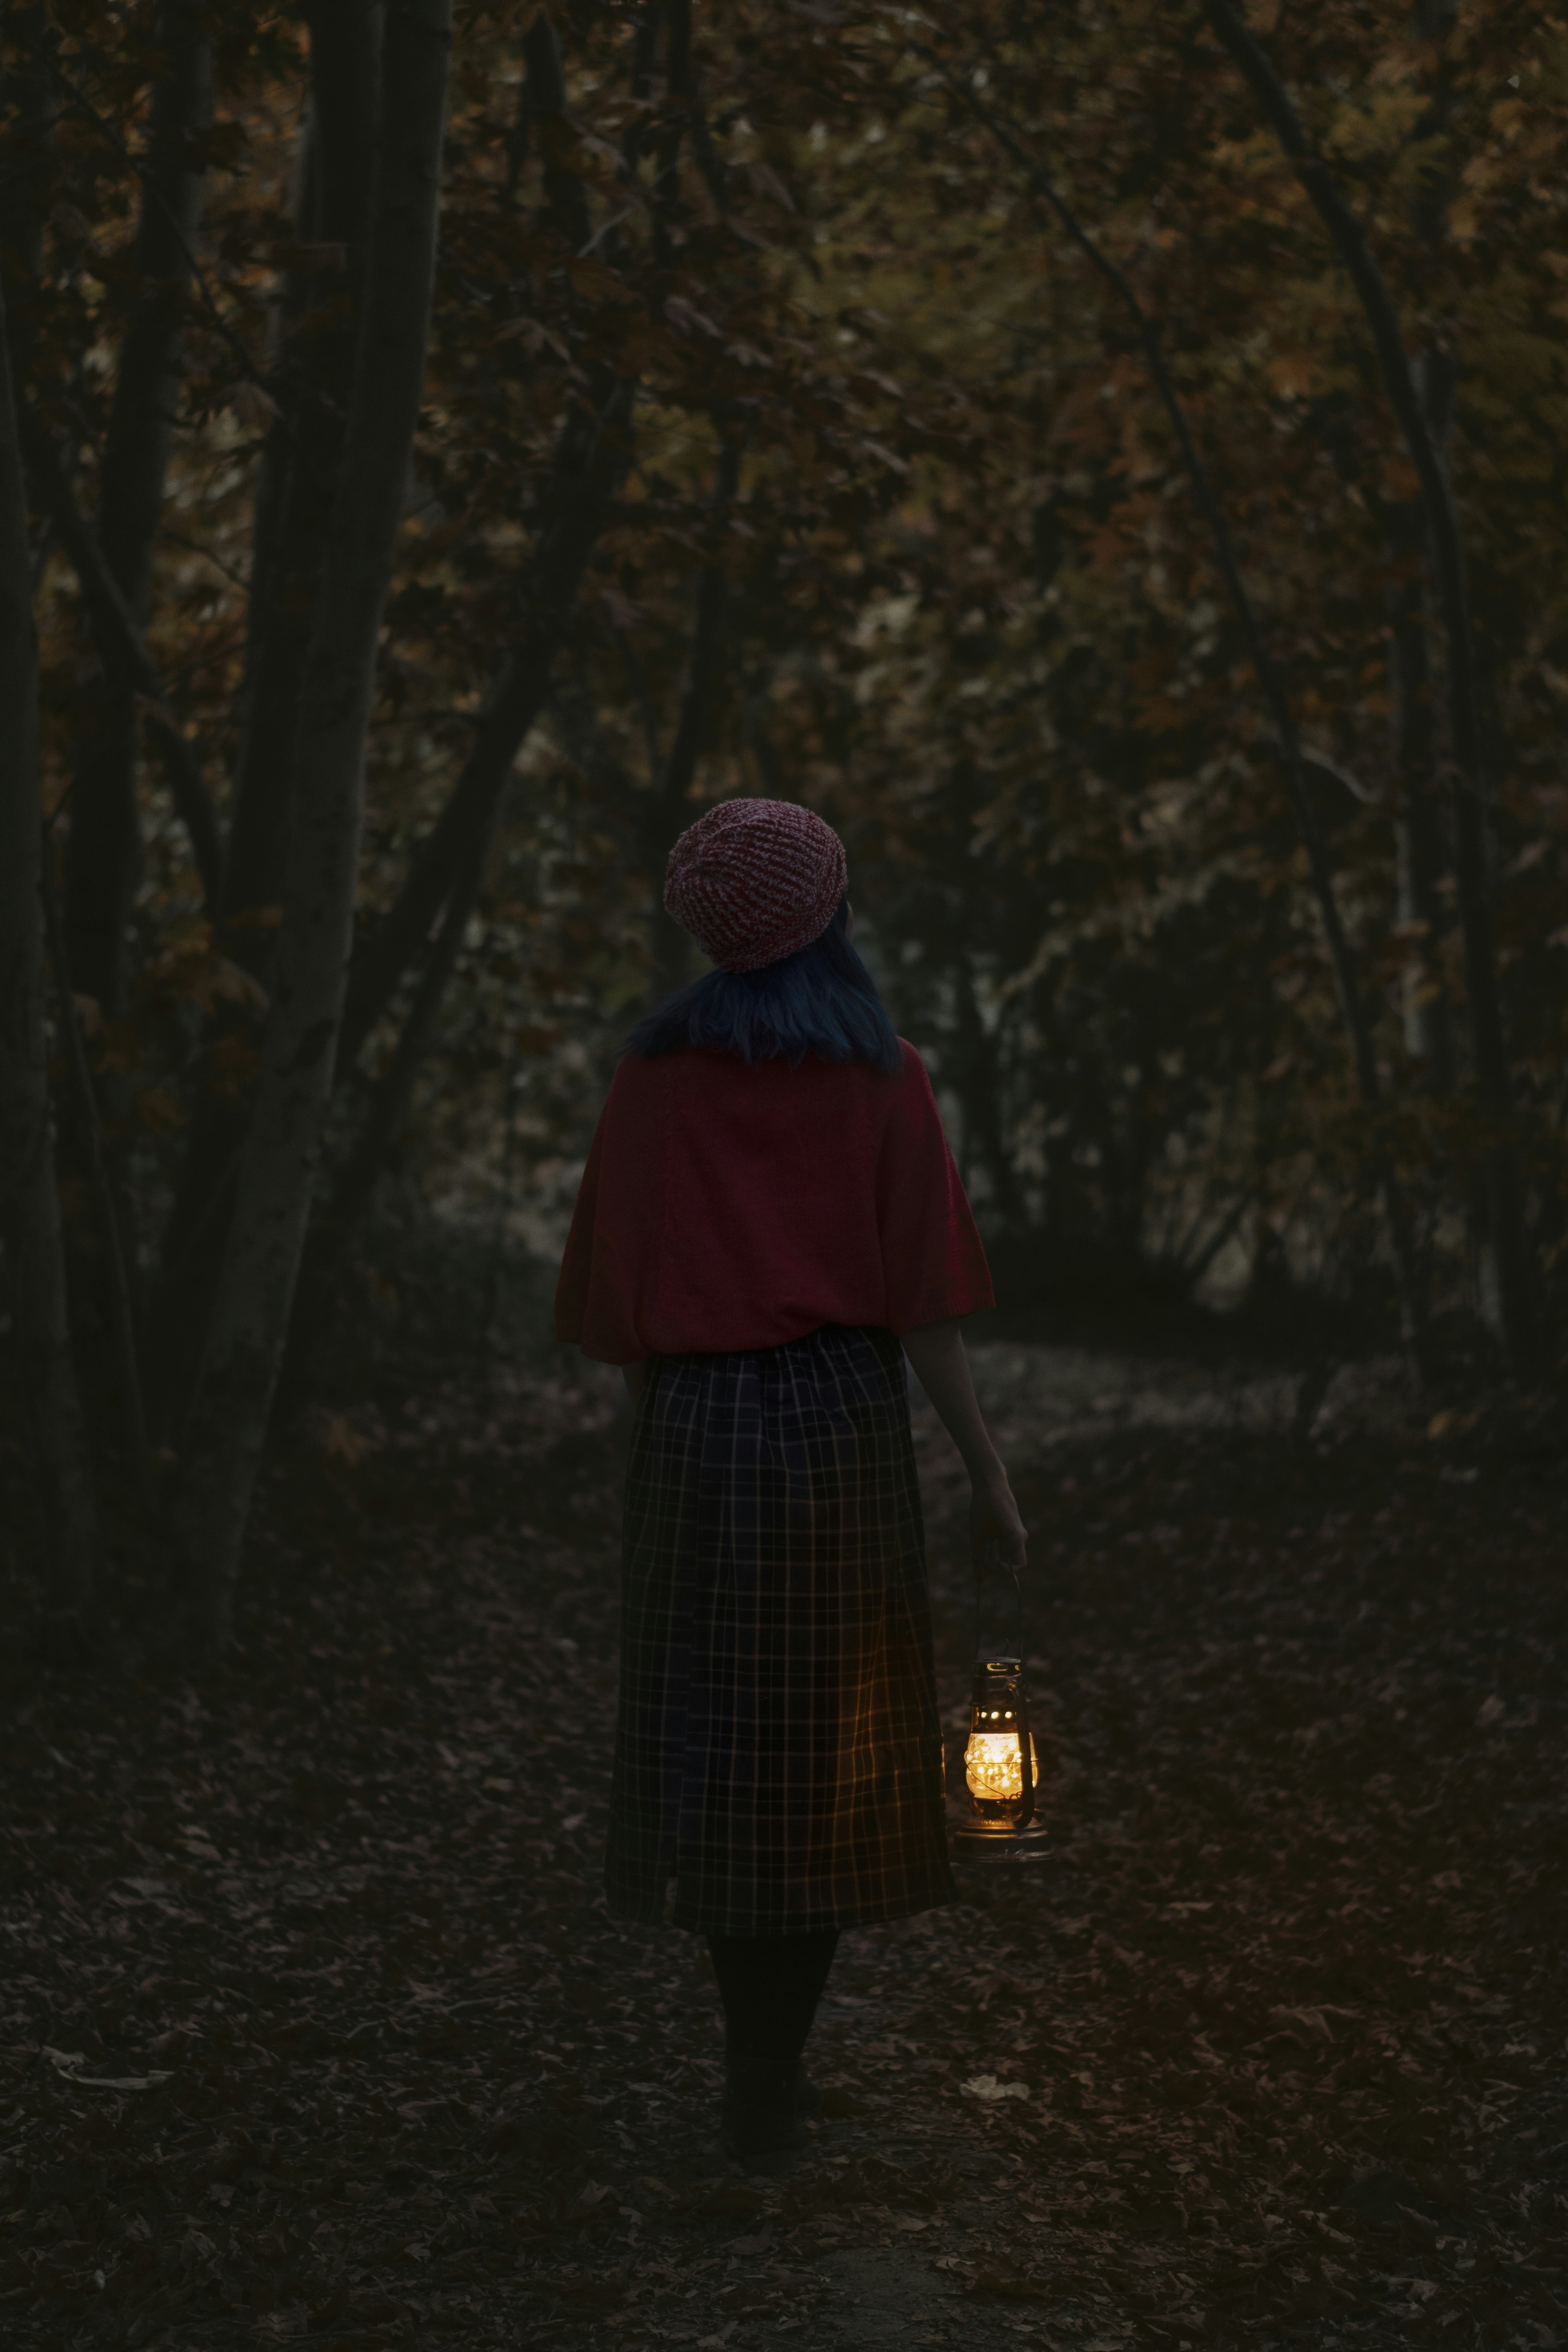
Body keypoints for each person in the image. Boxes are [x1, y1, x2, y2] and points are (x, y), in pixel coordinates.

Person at [554, 798, 1027, 2165]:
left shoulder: (653, 1078)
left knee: (717, 1748)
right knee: (827, 1756)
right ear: (830, 916)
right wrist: (985, 1471)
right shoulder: (884, 1072)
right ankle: (773, 2072)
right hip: (834, 1430)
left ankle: (750, 2073)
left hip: (697, 1431)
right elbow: (925, 1301)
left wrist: (643, 1463)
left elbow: (624, 1309)